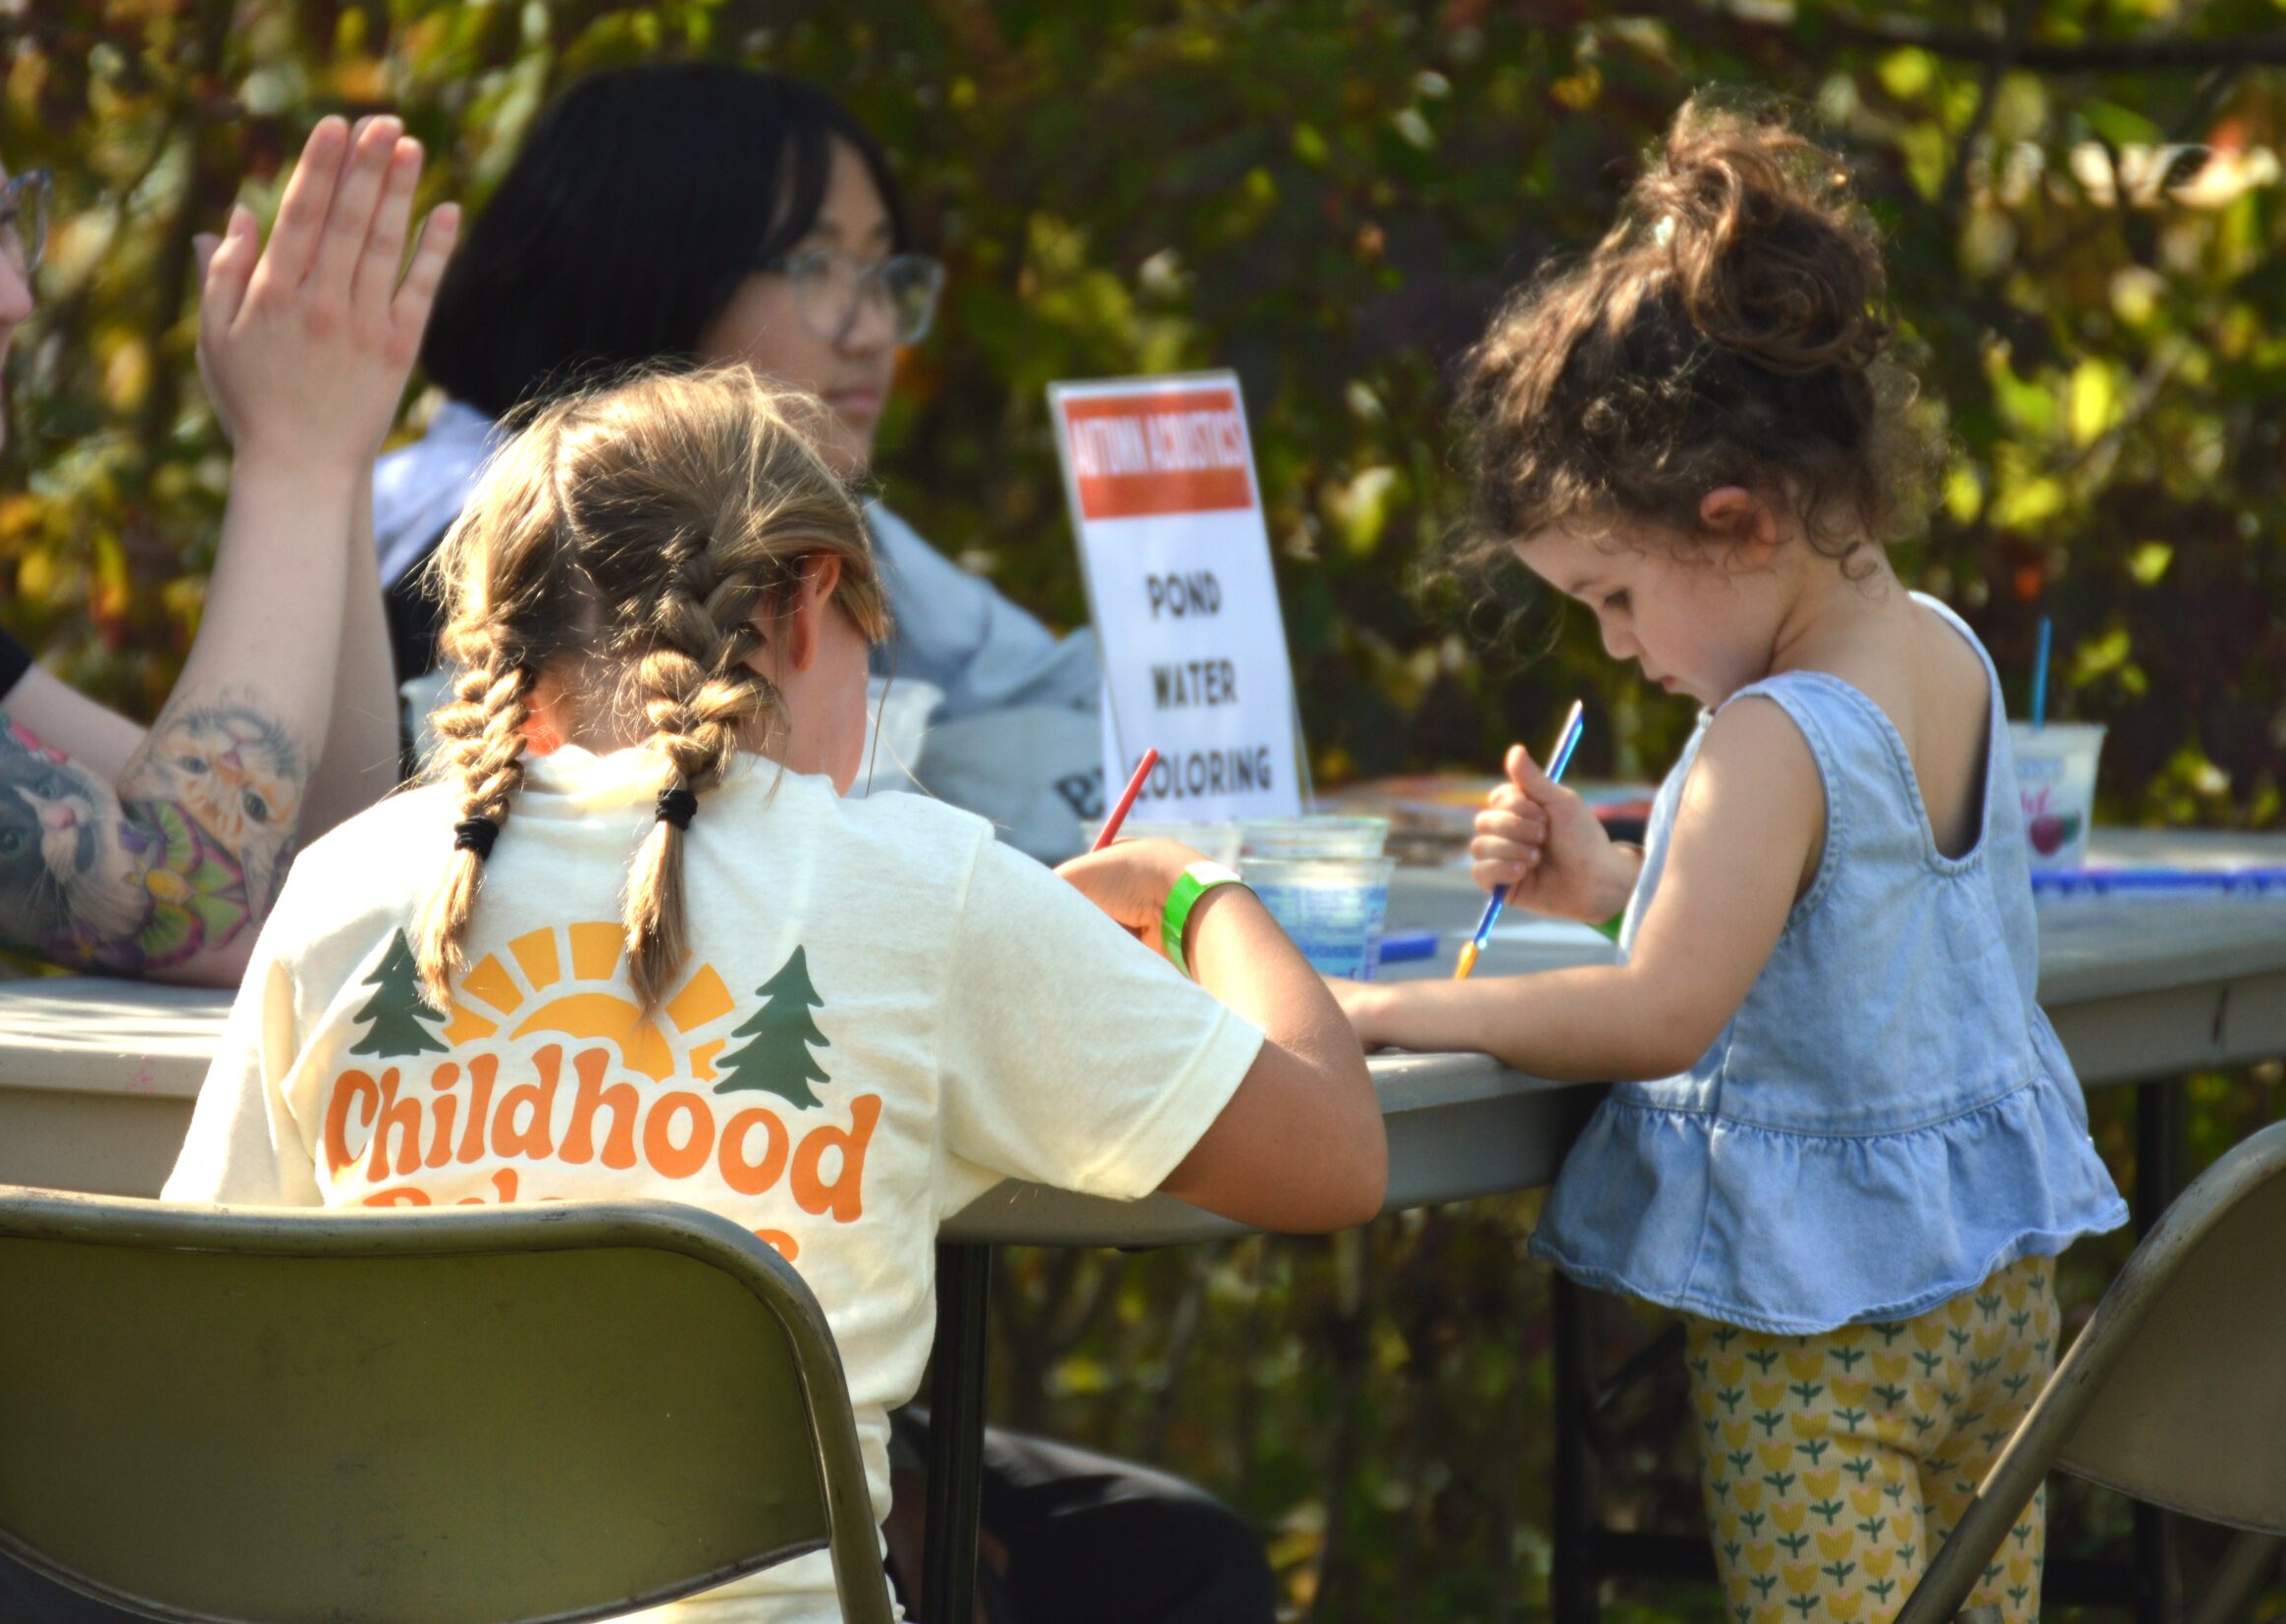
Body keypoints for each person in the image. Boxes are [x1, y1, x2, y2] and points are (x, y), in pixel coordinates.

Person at [166, 365, 1385, 1623]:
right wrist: (1192, 891)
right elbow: (1335, 1155)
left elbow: (201, 1335)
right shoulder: (926, 890)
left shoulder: (339, 889)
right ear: (807, 600)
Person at [1334, 101, 2126, 1624]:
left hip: (1826, 1326)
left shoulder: (1772, 731)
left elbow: (1660, 1017)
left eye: (1616, 595)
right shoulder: (1942, 653)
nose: (1619, 645)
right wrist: (1617, 883)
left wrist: (1393, 1011)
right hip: (1989, 1301)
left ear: (1736, 519)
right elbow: (1843, 939)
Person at [0, 0, 456, 1611]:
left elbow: (314, 870)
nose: (6, 288)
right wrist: (289, 465)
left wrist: (330, 451)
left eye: (8, 224)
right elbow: (176, 892)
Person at [375, 64, 1105, 859]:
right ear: (657, 265)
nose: (874, 333)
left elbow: (1081, 698)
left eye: (882, 273)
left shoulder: (827, 522)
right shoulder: (482, 536)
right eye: (819, 267)